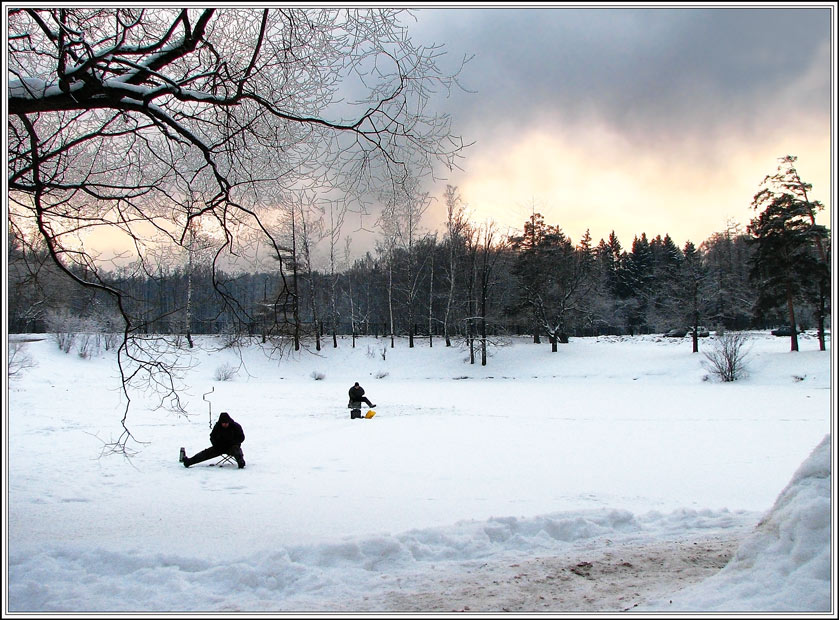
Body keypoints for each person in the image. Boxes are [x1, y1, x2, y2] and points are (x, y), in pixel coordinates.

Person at [180, 411, 245, 469]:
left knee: (237, 450)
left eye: (226, 423)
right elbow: (212, 437)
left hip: (232, 446)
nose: (225, 424)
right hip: (219, 447)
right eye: (223, 423)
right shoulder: (217, 427)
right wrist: (216, 444)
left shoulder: (236, 426)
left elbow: (241, 437)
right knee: (205, 453)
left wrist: (233, 442)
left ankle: (241, 462)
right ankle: (189, 462)